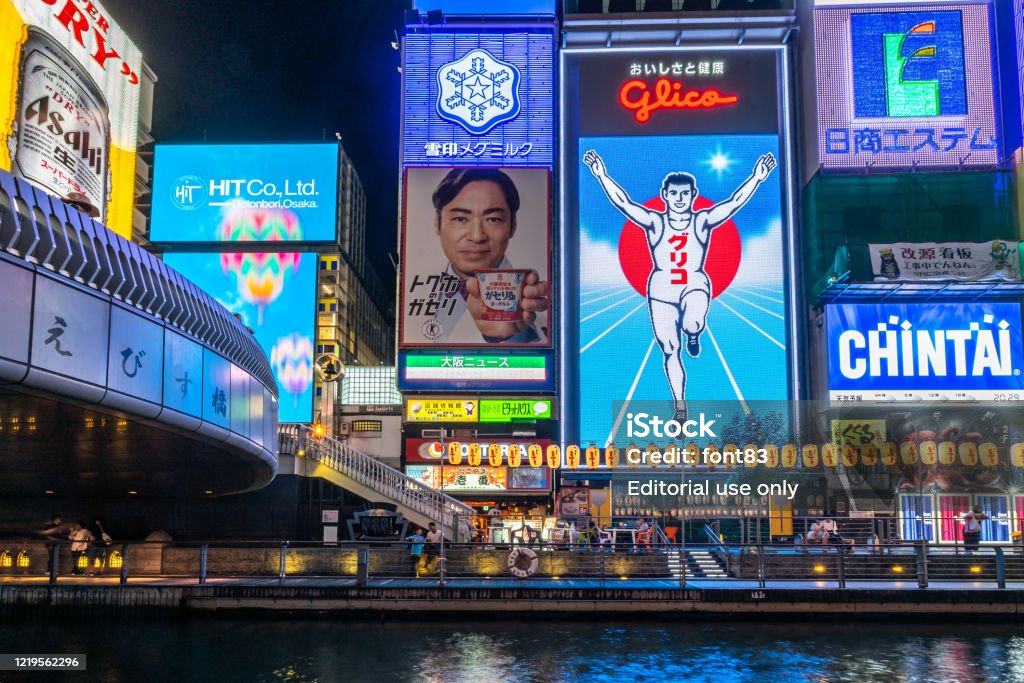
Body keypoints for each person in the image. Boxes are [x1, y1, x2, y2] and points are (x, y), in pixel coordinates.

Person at [584, 150, 776, 421]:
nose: (679, 199)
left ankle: (694, 333)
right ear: (665, 195)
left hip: (694, 284)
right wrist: (601, 175)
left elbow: (733, 203)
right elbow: (624, 203)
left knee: (693, 323)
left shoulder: (702, 220)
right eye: (674, 194)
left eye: (685, 194)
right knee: (670, 349)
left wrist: (757, 178)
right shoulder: (655, 222)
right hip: (661, 292)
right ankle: (680, 406)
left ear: (693, 195)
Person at [418, 168, 550, 344]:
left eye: (493, 219)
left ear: (513, 226)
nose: (477, 236)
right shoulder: (412, 292)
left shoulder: (539, 303)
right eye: (460, 219)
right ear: (437, 222)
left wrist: (511, 337)